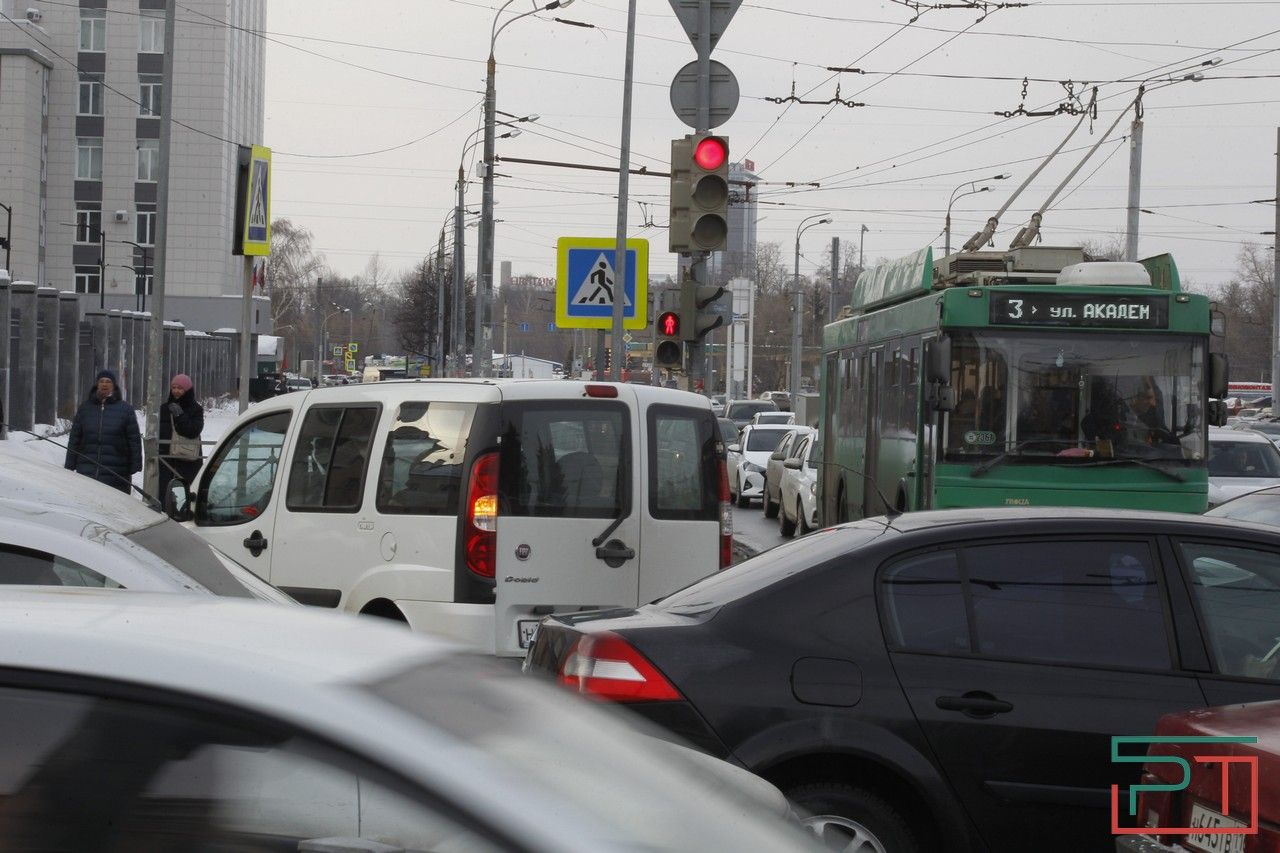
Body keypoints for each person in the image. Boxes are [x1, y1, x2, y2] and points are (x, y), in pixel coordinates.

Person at [65, 369, 142, 494]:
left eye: (108, 382)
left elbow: (134, 439)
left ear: (114, 386)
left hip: (116, 473)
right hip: (87, 471)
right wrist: (69, 464)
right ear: (97, 384)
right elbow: (75, 439)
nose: (104, 384)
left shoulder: (125, 410)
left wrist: (135, 464)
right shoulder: (85, 409)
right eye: (101, 381)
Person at [158, 373, 204, 497]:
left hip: (188, 460)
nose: (176, 391)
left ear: (187, 390)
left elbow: (193, 430)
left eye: (180, 388)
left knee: (187, 494)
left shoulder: (196, 409)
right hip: (166, 460)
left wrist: (180, 415)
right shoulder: (164, 409)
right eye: (174, 387)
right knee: (164, 494)